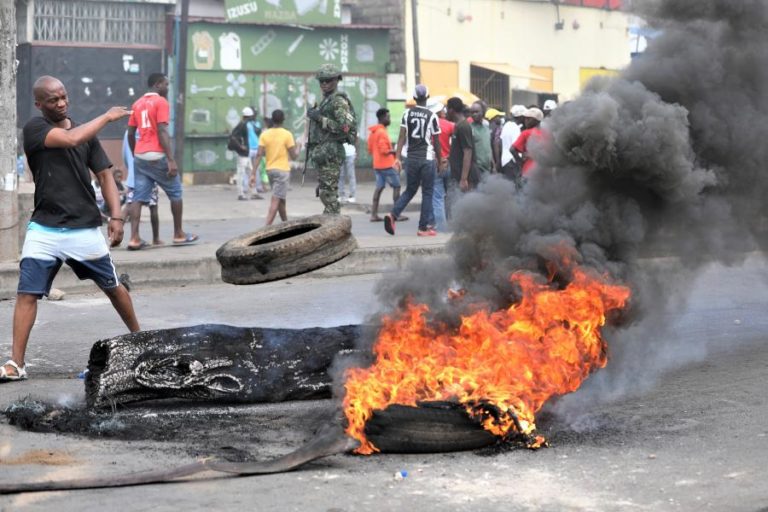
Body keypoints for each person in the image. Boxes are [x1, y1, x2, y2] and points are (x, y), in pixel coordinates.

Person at [0, 75, 140, 382]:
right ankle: (16, 364)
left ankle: (141, 342)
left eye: (64, 97)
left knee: (114, 288)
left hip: (84, 228)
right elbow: (70, 139)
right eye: (53, 100)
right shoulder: (35, 129)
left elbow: (105, 175)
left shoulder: (85, 133)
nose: (62, 103)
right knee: (26, 294)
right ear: (39, 104)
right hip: (44, 229)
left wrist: (117, 217)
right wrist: (107, 116)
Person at [127, 73, 198, 249]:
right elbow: (161, 131)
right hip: (157, 155)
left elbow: (131, 133)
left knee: (138, 197)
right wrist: (171, 160)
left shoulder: (137, 104)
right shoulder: (161, 102)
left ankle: (134, 238)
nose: (167, 87)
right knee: (175, 192)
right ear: (158, 85)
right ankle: (179, 234)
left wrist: (135, 153)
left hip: (140, 156)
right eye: (166, 84)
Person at [384, 84, 442, 237]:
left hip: (411, 158)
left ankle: (393, 215)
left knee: (410, 190)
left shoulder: (407, 114)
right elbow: (436, 142)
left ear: (414, 98)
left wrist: (397, 158)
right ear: (427, 97)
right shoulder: (432, 116)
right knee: (427, 192)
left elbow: (401, 137)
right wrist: (440, 160)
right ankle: (423, 228)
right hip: (426, 159)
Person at [306, 64, 357, 215]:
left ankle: (334, 223)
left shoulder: (338, 101)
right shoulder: (326, 100)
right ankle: (331, 221)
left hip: (331, 153)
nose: (324, 84)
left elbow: (344, 128)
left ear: (336, 80)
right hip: (324, 153)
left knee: (328, 195)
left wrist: (319, 118)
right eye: (321, 81)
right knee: (325, 193)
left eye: (328, 80)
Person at [251, 109, 299, 225]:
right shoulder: (287, 134)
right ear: (283, 120)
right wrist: (299, 146)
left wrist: (253, 173)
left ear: (272, 120)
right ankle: (266, 228)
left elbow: (259, 154)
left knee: (281, 199)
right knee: (276, 199)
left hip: (270, 171)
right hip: (282, 171)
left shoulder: (264, 134)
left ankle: (286, 224)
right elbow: (294, 156)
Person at [121, 129, 161, 247]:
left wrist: (131, 169)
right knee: (153, 206)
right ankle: (155, 238)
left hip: (133, 175)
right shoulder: (151, 129)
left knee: (129, 206)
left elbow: (124, 154)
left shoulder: (129, 132)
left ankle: (114, 238)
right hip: (149, 175)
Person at [367, 108, 403, 222]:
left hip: (377, 165)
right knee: (397, 186)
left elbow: (370, 149)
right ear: (382, 118)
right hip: (387, 165)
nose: (389, 119)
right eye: (388, 117)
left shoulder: (374, 132)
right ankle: (396, 214)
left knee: (379, 188)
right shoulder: (382, 132)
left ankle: (374, 214)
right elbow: (384, 150)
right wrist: (395, 151)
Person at [445, 96, 476, 221]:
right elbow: (458, 150)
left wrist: (464, 179)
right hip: (457, 173)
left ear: (451, 110)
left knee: (466, 207)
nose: (446, 112)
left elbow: (468, 151)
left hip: (465, 176)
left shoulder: (463, 126)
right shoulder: (458, 126)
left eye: (447, 109)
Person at [229, 107, 261, 201]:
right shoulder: (242, 124)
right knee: (241, 173)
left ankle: (253, 192)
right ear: (249, 116)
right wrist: (241, 146)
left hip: (246, 154)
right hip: (242, 154)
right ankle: (240, 194)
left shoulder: (246, 124)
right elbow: (233, 137)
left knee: (250, 172)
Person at [431, 100, 452, 232]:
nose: (444, 111)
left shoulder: (427, 125)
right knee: (450, 195)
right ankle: (452, 224)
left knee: (437, 197)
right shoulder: (449, 125)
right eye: (443, 110)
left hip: (434, 164)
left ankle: (441, 227)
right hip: (447, 162)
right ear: (439, 112)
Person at [512, 107, 545, 178]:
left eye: (528, 119)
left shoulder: (526, 133)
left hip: (528, 171)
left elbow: (512, 149)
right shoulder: (546, 134)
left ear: (535, 120)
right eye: (525, 118)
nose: (525, 121)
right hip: (543, 173)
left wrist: (520, 162)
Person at [469, 101, 493, 177]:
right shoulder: (469, 128)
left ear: (483, 112)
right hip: (477, 169)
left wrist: (493, 165)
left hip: (488, 168)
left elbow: (489, 147)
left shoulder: (486, 128)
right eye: (472, 112)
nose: (474, 114)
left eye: (476, 112)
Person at [246, 107, 266, 196]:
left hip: (257, 147)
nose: (254, 115)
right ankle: (247, 187)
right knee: (247, 169)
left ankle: (258, 186)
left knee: (256, 168)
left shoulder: (257, 123)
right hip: (249, 148)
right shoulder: (246, 124)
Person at [486, 108, 504, 174]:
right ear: (493, 118)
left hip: (489, 159)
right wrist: (497, 162)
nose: (500, 118)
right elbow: (496, 145)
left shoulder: (486, 128)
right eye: (498, 116)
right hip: (496, 159)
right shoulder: (497, 128)